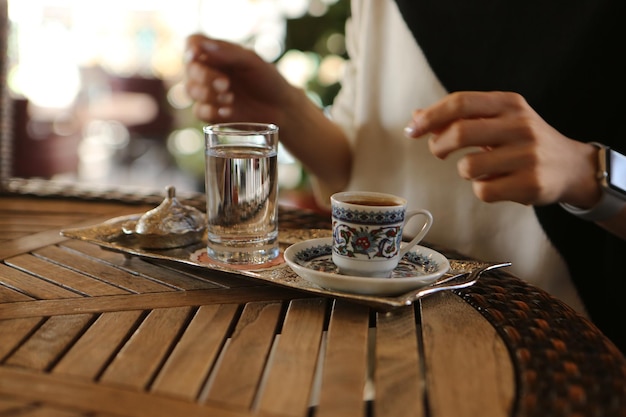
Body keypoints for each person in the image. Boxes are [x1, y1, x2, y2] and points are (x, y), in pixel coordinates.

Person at [184, 0, 626, 354]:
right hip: (372, 326)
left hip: (556, 343)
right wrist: (286, 111)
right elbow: (366, 161)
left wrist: (588, 172)